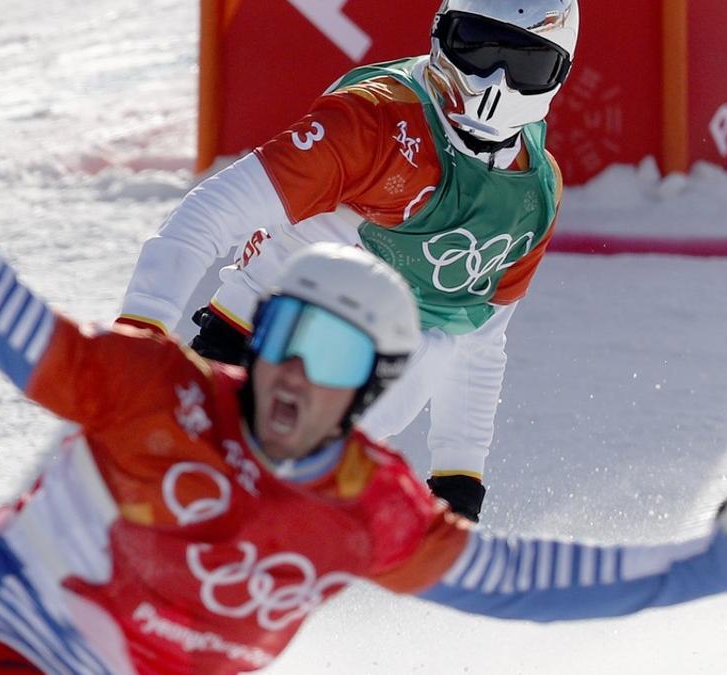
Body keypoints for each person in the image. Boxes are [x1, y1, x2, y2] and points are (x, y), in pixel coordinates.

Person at [0, 52, 727, 675]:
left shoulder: (372, 505)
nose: (288, 374)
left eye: (325, 355)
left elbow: (519, 581)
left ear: (371, 389)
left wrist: (710, 567)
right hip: (5, 645)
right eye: (279, 339)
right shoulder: (157, 390)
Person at [119, 0, 582, 522]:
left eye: (525, 64)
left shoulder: (534, 192)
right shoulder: (376, 120)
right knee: (144, 517)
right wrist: (140, 332)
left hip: (362, 405)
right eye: (475, 47)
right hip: (253, 351)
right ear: (440, 34)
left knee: (241, 554)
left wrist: (458, 480)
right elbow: (213, 211)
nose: (495, 82)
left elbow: (477, 340)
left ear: (559, 72)